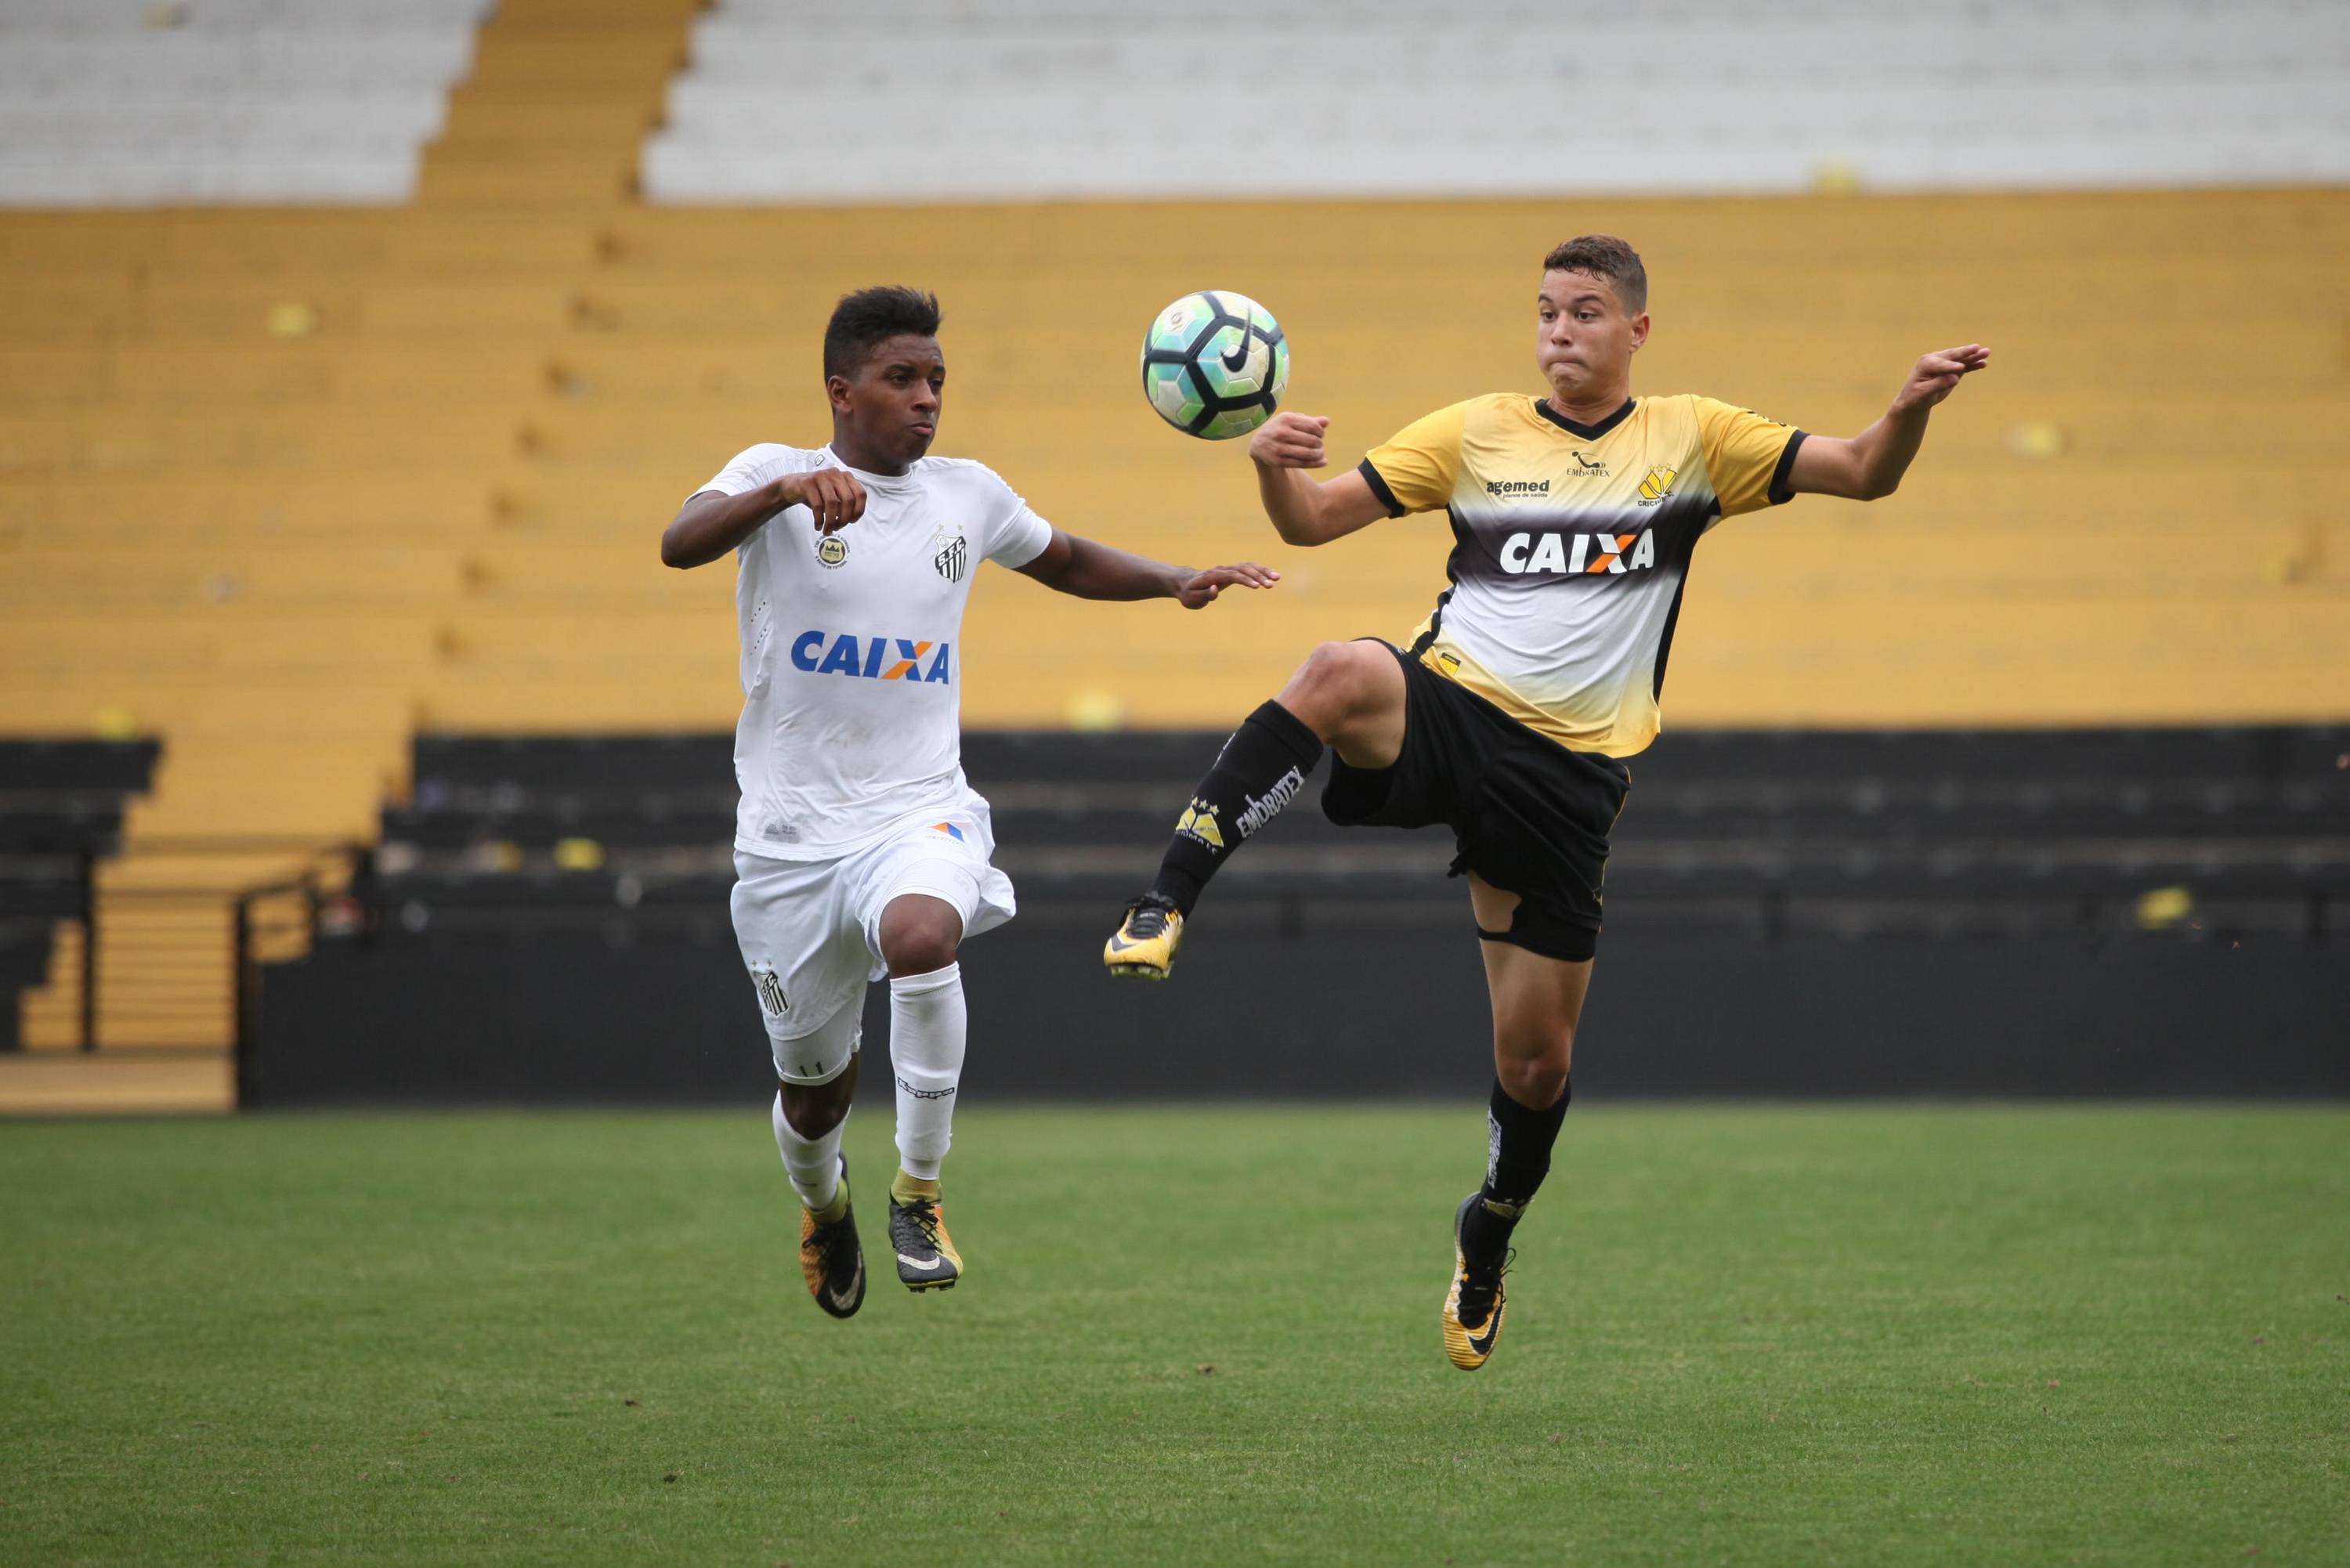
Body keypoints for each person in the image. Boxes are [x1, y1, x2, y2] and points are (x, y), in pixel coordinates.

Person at [1102, 236, 1987, 1370]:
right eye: (1545, 312)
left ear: (1636, 330)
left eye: (1583, 312)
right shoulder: (1474, 431)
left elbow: (1866, 469)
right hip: (1454, 704)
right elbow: (1313, 522)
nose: (1560, 331)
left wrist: (1909, 406)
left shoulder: (1695, 439)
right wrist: (1272, 465)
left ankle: (1490, 1233)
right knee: (1337, 667)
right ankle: (1163, 898)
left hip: (1571, 780)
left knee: (1535, 1065)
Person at [664, 286, 1274, 1317]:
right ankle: (827, 1204)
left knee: (922, 931)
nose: (927, 399)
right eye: (903, 378)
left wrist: (1173, 579)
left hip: (917, 809)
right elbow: (680, 542)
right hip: (788, 841)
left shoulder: (966, 495)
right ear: (842, 390)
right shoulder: (771, 475)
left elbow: (1067, 558)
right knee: (814, 1094)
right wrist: (784, 496)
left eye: (938, 379)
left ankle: (920, 1187)